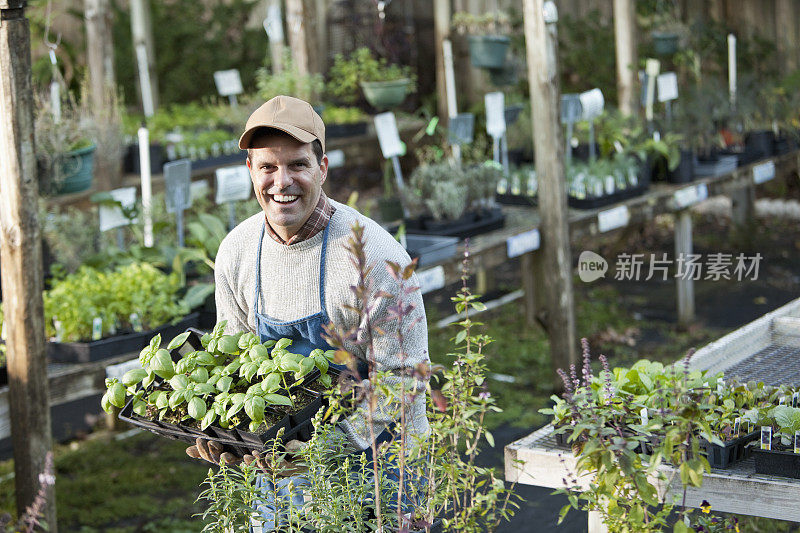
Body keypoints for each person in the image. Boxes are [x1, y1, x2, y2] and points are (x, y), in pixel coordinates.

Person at [186, 95, 430, 530]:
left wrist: (326, 448)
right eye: (267, 167)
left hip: (380, 461)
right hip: (280, 466)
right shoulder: (237, 252)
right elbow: (236, 367)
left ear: (323, 168)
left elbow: (404, 377)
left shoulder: (373, 257)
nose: (282, 181)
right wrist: (226, 435)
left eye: (297, 164)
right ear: (250, 171)